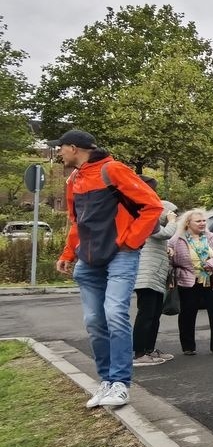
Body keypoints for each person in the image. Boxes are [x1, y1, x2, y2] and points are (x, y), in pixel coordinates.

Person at [53, 129, 163, 410]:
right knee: (94, 321)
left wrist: (130, 243)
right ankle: (106, 381)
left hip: (120, 255)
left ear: (74, 148)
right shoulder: (74, 179)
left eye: (61, 147)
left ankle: (120, 384)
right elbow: (77, 221)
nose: (59, 152)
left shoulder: (112, 170)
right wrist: (68, 253)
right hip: (89, 259)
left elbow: (152, 206)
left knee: (115, 313)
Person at [169, 209, 213, 356]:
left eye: (203, 221)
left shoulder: (212, 237)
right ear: (188, 223)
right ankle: (188, 347)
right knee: (187, 314)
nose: (202, 223)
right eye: (198, 221)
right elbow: (171, 260)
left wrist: (212, 262)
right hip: (189, 280)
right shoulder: (176, 240)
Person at [131, 176, 177, 366]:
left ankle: (149, 350)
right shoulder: (141, 211)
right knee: (146, 313)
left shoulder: (146, 209)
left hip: (156, 270)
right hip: (146, 272)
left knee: (155, 313)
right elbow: (163, 233)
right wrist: (171, 220)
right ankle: (139, 353)